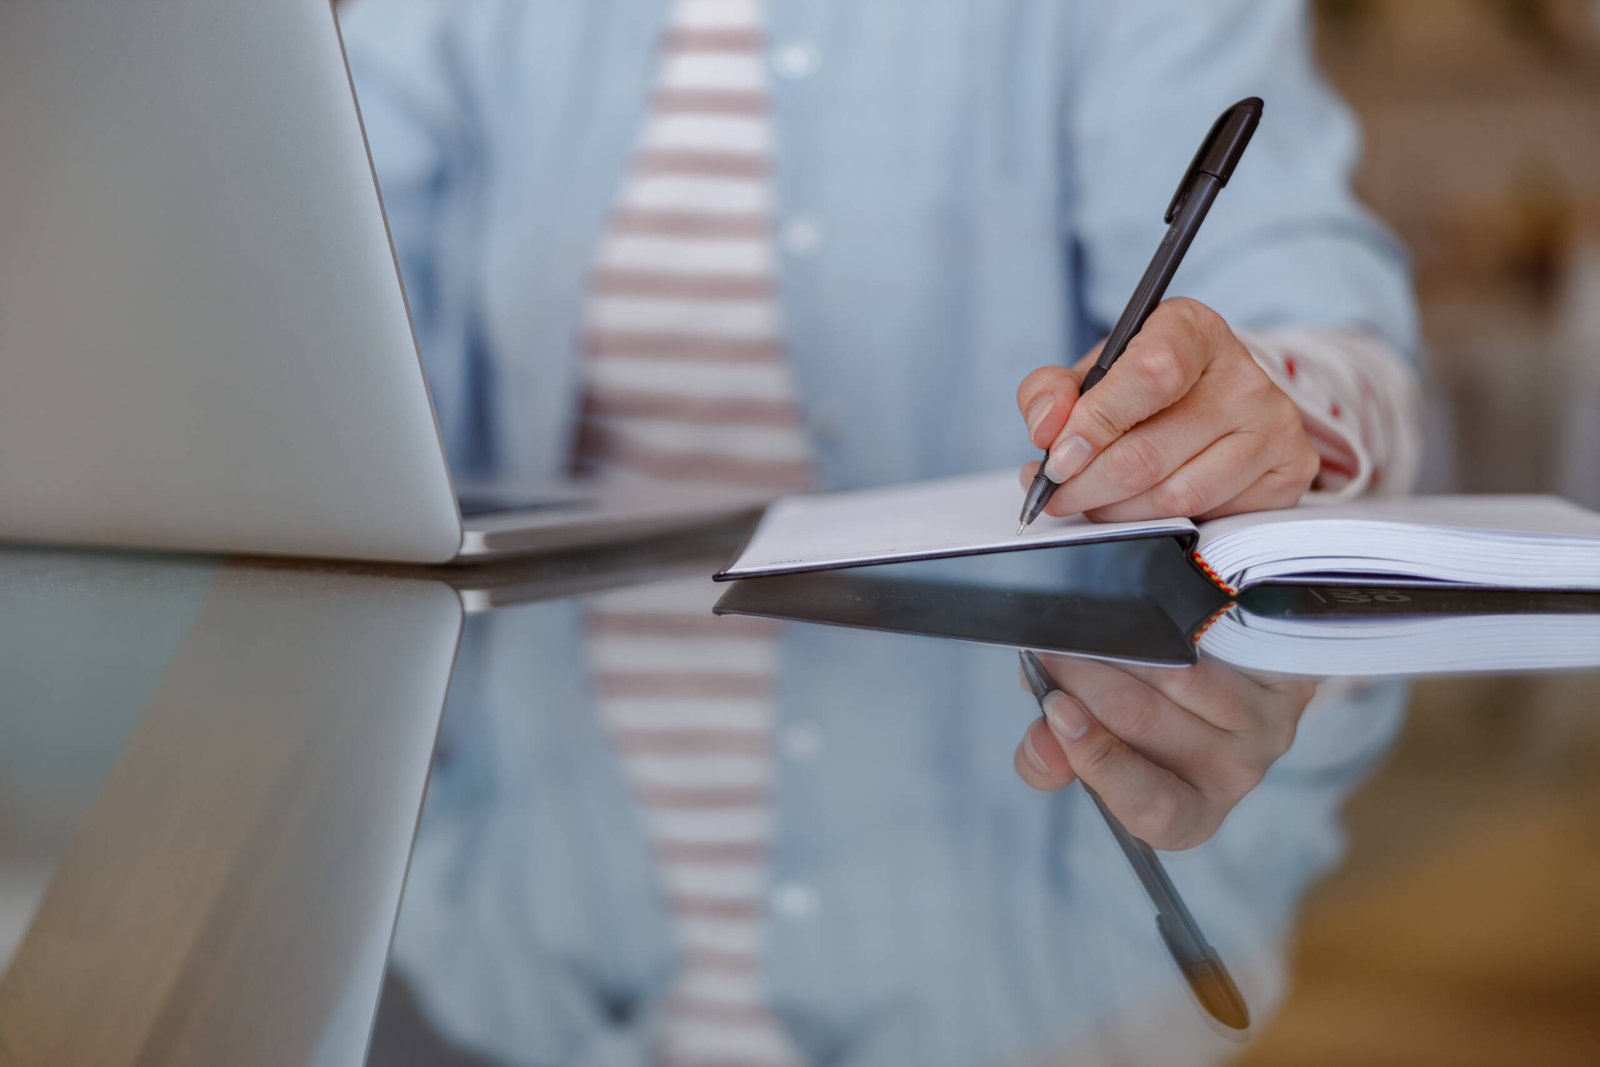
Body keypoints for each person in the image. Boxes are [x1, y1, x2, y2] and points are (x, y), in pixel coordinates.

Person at [337, 1, 1422, 1062]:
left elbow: (1314, 297)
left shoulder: (1105, 1032)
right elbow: (323, 298)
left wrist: (1261, 408)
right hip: (515, 660)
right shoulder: (495, 985)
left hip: (1024, 661)